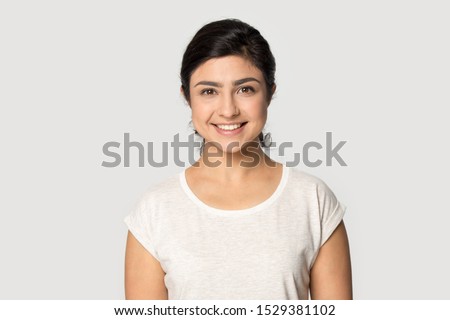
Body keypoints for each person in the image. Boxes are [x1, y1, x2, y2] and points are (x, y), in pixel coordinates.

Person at [124, 18, 352, 300]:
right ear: (187, 97)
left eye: (245, 89)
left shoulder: (313, 200)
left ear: (270, 92)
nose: (228, 110)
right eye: (209, 91)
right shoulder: (154, 210)